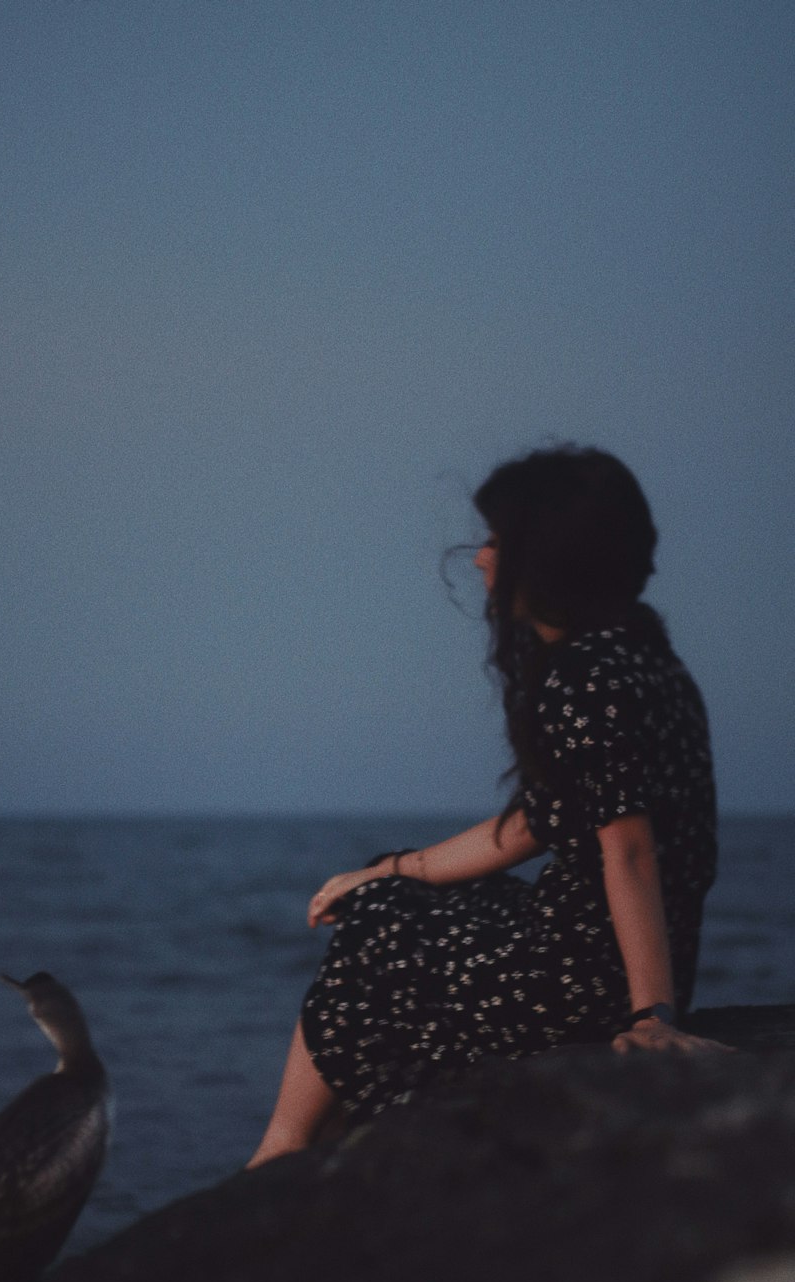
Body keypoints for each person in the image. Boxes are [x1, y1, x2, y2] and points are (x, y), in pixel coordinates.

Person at [249, 444, 722, 1167]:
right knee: (388, 891)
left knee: (377, 926)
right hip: (611, 964)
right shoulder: (646, 657)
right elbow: (536, 823)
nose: (478, 559)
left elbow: (628, 847)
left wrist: (650, 1017)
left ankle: (281, 1153)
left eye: (497, 541)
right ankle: (324, 1143)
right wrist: (393, 868)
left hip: (582, 984)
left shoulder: (583, 675)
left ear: (549, 559)